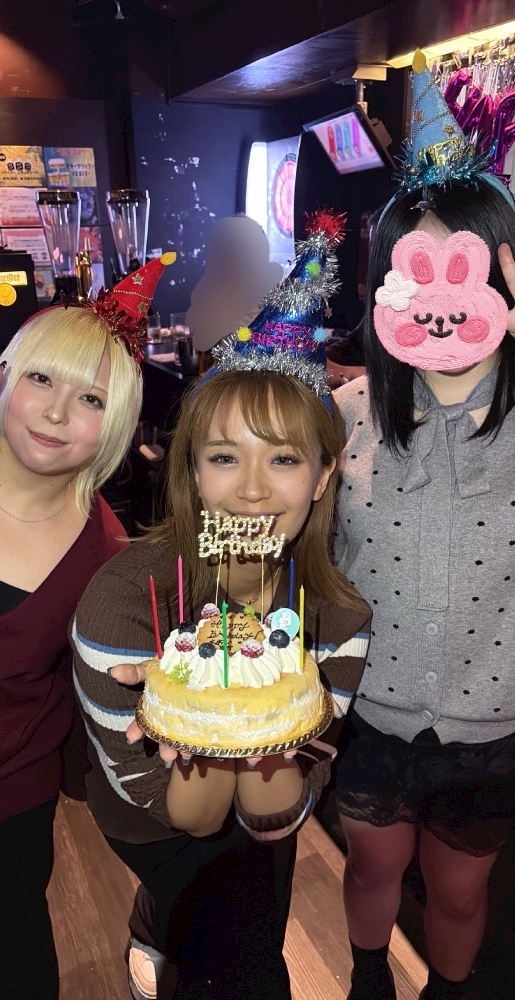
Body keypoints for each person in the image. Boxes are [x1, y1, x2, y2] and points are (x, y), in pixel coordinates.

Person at [71, 213, 372, 1000]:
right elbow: (189, 815)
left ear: (324, 474)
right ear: (193, 471)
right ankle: (159, 917)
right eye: (225, 457)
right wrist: (194, 709)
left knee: (253, 906)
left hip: (265, 814)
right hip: (153, 821)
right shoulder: (122, 607)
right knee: (228, 943)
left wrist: (265, 711)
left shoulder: (338, 620)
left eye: (285, 458)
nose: (252, 490)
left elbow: (279, 812)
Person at [332, 50, 515, 1000]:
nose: (441, 300)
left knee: (459, 891)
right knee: (371, 870)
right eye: (417, 272)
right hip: (374, 712)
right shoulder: (346, 416)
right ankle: (367, 978)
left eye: (466, 266)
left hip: (496, 726)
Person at [0, 252, 173, 1000]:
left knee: (13, 964)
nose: (55, 413)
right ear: (4, 376)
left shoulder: (106, 557)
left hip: (1, 798)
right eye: (42, 378)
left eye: (90, 398)